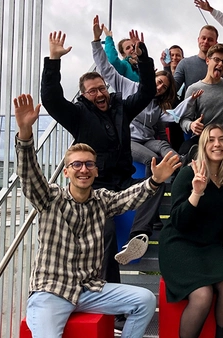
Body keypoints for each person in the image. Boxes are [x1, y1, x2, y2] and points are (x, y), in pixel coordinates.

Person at [14, 94, 181, 338]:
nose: (84, 169)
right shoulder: (50, 198)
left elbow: (130, 197)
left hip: (89, 290)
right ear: (66, 173)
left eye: (89, 164)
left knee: (144, 300)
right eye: (77, 165)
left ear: (96, 170)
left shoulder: (102, 200)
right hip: (51, 290)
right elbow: (29, 174)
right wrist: (25, 135)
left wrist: (155, 180)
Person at [40, 29, 156, 329]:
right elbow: (51, 99)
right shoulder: (77, 114)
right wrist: (53, 61)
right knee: (103, 235)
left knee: (158, 183)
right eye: (92, 91)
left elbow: (146, 92)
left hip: (124, 180)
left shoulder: (120, 107)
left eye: (101, 88)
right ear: (84, 95)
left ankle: (138, 236)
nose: (100, 94)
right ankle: (116, 310)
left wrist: (143, 60)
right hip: (96, 187)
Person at [159, 124, 223, 338]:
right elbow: (178, 221)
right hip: (179, 242)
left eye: (222, 139)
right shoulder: (188, 174)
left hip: (209, 246)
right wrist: (196, 192)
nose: (217, 144)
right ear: (203, 145)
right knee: (202, 294)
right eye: (211, 139)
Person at [92, 16, 178, 177]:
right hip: (128, 138)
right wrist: (97, 41)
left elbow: (167, 123)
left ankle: (183, 164)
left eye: (164, 87)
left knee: (162, 147)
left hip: (147, 140)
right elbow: (106, 68)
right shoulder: (128, 85)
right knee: (152, 158)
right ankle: (149, 192)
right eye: (158, 82)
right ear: (153, 78)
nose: (159, 87)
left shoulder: (158, 105)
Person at [178, 43, 223, 168]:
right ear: (207, 60)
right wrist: (192, 125)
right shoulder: (193, 89)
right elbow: (184, 120)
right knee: (184, 152)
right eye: (216, 59)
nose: (220, 64)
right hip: (202, 139)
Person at [173, 25, 223, 98]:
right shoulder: (185, 63)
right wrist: (166, 67)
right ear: (198, 39)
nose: (206, 42)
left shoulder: (222, 67)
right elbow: (173, 89)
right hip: (191, 107)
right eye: (203, 38)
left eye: (210, 40)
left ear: (216, 43)